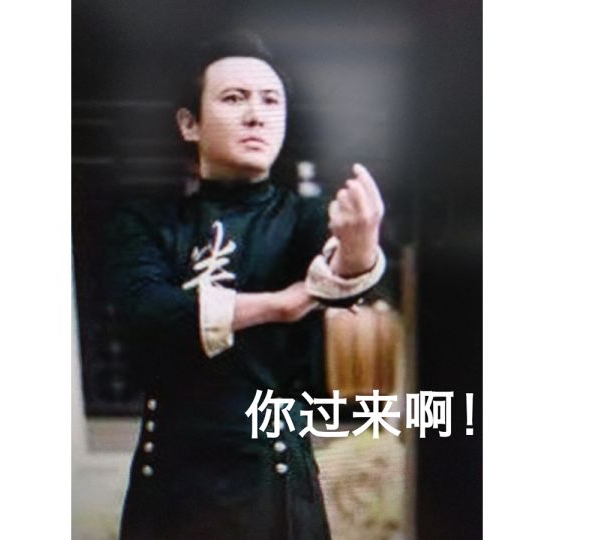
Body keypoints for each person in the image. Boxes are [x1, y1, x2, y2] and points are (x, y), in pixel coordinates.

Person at [107, 30, 386, 540]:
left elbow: (343, 279)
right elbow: (146, 311)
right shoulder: (147, 222)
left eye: (271, 101)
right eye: (234, 99)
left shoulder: (304, 218)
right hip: (170, 482)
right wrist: (278, 305)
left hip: (272, 482)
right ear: (189, 124)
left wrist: (360, 246)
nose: (257, 115)